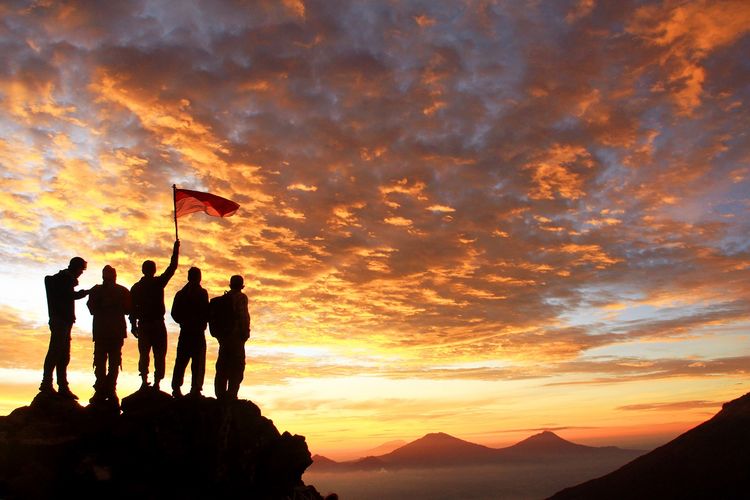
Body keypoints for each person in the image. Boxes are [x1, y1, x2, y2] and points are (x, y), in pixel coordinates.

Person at [130, 240, 179, 391]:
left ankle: (146, 382)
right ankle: (155, 382)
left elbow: (132, 309)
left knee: (146, 354)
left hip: (145, 324)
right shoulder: (157, 283)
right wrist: (175, 250)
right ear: (153, 270)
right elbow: (172, 268)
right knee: (158, 354)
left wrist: (133, 325)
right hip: (155, 324)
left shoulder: (137, 287)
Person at [41, 256, 89, 399]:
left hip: (64, 321)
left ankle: (62, 386)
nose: (81, 273)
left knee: (63, 355)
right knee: (56, 351)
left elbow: (69, 295)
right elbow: (69, 296)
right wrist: (85, 293)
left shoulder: (64, 279)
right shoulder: (63, 279)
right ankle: (47, 384)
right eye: (81, 270)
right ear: (75, 268)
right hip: (60, 321)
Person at [86, 265, 131, 404]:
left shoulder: (121, 291)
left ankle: (108, 390)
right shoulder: (98, 290)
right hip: (103, 332)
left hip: (113, 333)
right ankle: (102, 390)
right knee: (103, 362)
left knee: (112, 363)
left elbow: (128, 309)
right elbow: (91, 308)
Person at [170, 266, 209, 398]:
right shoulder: (201, 293)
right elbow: (206, 312)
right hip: (195, 332)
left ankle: (178, 388)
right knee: (195, 361)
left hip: (187, 331)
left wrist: (184, 321)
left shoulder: (181, 294)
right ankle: (194, 388)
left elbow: (174, 313)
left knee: (182, 360)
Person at [213, 275, 250, 401]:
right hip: (236, 337)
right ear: (241, 286)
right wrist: (245, 334)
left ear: (230, 285)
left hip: (224, 337)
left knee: (222, 365)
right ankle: (231, 394)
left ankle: (220, 393)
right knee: (237, 366)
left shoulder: (224, 299)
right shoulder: (241, 297)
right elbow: (243, 316)